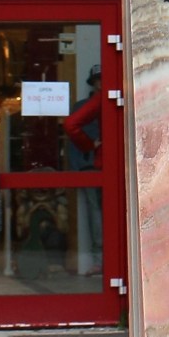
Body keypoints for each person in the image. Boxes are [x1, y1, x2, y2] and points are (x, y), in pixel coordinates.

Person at [63, 65, 103, 274]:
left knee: (99, 213)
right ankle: (102, 260)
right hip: (95, 167)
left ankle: (104, 261)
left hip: (98, 166)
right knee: (98, 213)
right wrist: (90, 145)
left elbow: (71, 125)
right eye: (99, 80)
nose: (101, 83)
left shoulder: (93, 103)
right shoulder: (98, 102)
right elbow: (71, 126)